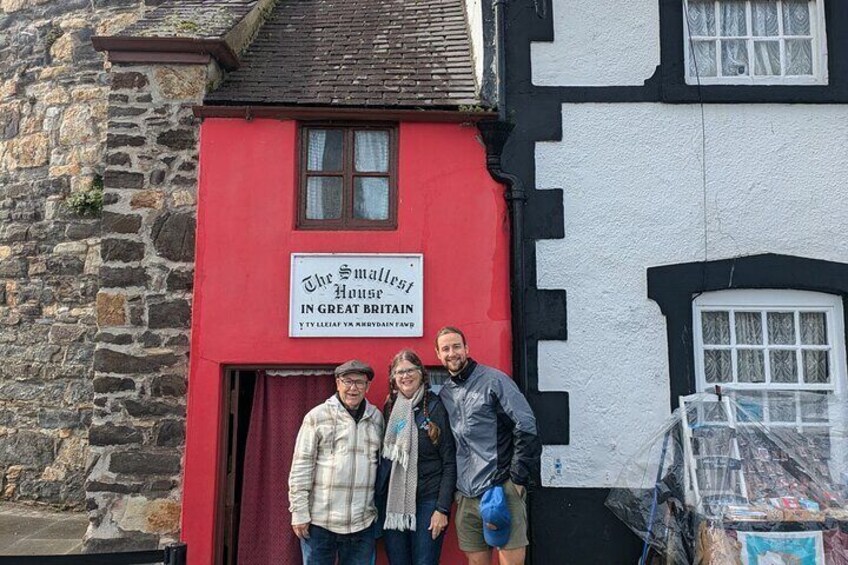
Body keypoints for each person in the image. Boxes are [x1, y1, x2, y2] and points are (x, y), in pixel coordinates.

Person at [435, 326, 541, 565]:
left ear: (466, 348)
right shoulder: (445, 393)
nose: (452, 353)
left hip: (500, 487)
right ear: (439, 355)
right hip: (466, 494)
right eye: (446, 349)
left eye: (456, 346)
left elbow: (526, 427)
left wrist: (518, 481)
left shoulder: (494, 380)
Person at [288, 359, 384, 565]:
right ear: (337, 383)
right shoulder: (317, 416)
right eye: (348, 381)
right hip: (320, 523)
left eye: (359, 382)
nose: (353, 388)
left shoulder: (376, 418)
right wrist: (299, 512)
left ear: (368, 387)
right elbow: (301, 467)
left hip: (362, 524)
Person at [380, 349, 457, 565]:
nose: (405, 376)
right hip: (395, 502)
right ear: (394, 379)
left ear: (422, 373)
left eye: (410, 370)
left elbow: (450, 462)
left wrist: (442, 509)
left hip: (428, 501)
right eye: (399, 372)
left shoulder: (436, 407)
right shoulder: (389, 409)